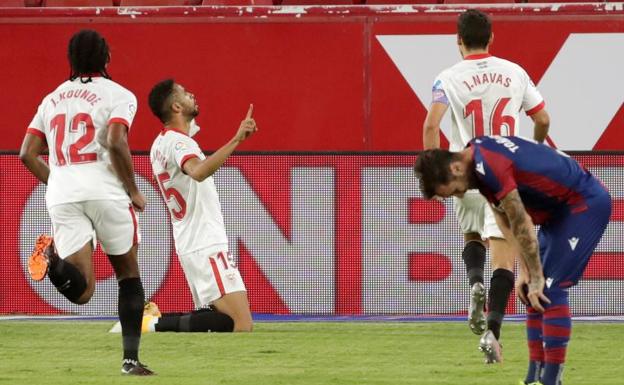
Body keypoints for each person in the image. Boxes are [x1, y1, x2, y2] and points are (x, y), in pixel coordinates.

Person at [414, 135, 611, 385]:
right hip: (559, 211)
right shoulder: (476, 158)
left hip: (584, 202)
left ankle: (551, 380)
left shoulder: (490, 164)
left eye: (454, 190)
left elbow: (520, 221)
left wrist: (536, 274)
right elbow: (503, 219)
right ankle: (533, 379)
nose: (459, 195)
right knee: (530, 288)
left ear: (455, 168)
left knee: (549, 288)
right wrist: (525, 272)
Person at [20, 30, 153, 375]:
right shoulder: (119, 94)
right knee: (128, 276)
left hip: (63, 193)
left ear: (71, 60)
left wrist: (61, 182)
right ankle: (130, 361)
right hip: (106, 190)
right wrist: (133, 189)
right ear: (106, 58)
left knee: (82, 293)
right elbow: (115, 139)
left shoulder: (51, 99)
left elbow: (27, 154)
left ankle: (52, 260)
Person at [422, 8, 551, 361]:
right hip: (506, 177)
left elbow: (432, 125)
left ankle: (473, 280)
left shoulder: (447, 77)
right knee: (505, 259)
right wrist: (537, 146)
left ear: (458, 41)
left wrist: (437, 175)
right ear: (492, 38)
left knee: (471, 236)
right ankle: (492, 334)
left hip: (465, 173)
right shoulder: (515, 72)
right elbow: (542, 117)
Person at [147, 79, 256, 333]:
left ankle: (153, 320)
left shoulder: (159, 145)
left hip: (189, 242)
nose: (192, 94)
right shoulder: (179, 143)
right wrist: (237, 139)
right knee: (241, 324)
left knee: (216, 320)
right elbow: (197, 171)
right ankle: (151, 323)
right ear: (176, 106)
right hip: (205, 241)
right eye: (184, 93)